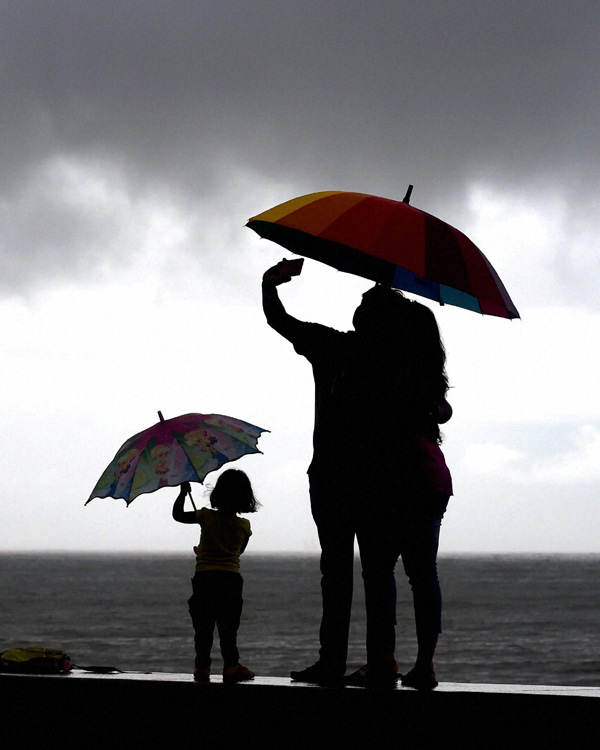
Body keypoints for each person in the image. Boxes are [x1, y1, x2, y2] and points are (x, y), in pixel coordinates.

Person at [262, 260, 453, 689]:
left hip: (335, 477)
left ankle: (334, 661)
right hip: (378, 479)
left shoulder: (332, 345)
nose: (360, 302)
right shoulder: (397, 362)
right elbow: (437, 410)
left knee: (339, 574)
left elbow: (280, 321)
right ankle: (382, 662)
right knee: (378, 574)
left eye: (366, 301)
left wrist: (269, 285)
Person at [172, 470, 259, 683]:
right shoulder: (244, 526)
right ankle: (231, 666)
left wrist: (182, 494)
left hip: (205, 579)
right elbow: (237, 552)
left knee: (203, 627)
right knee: (229, 628)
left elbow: (178, 515)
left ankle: (202, 667)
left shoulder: (205, 516)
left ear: (217, 493)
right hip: (230, 580)